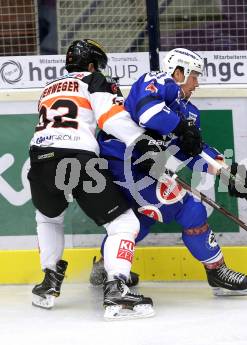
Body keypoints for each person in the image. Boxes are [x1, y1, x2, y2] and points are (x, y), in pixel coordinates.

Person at [90, 48, 247, 296]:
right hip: (120, 162)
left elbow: (191, 152)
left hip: (139, 168)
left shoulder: (189, 113)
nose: (197, 84)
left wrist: (227, 172)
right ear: (179, 72)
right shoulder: (157, 81)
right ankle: (217, 270)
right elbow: (147, 113)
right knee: (189, 208)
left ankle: (106, 267)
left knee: (140, 219)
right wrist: (181, 128)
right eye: (194, 76)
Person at [28, 38, 155, 320]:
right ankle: (117, 289)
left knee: (48, 218)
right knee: (123, 222)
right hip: (76, 157)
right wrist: (142, 142)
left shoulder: (48, 88)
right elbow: (110, 118)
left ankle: (48, 282)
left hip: (39, 159)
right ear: (91, 64)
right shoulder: (95, 79)